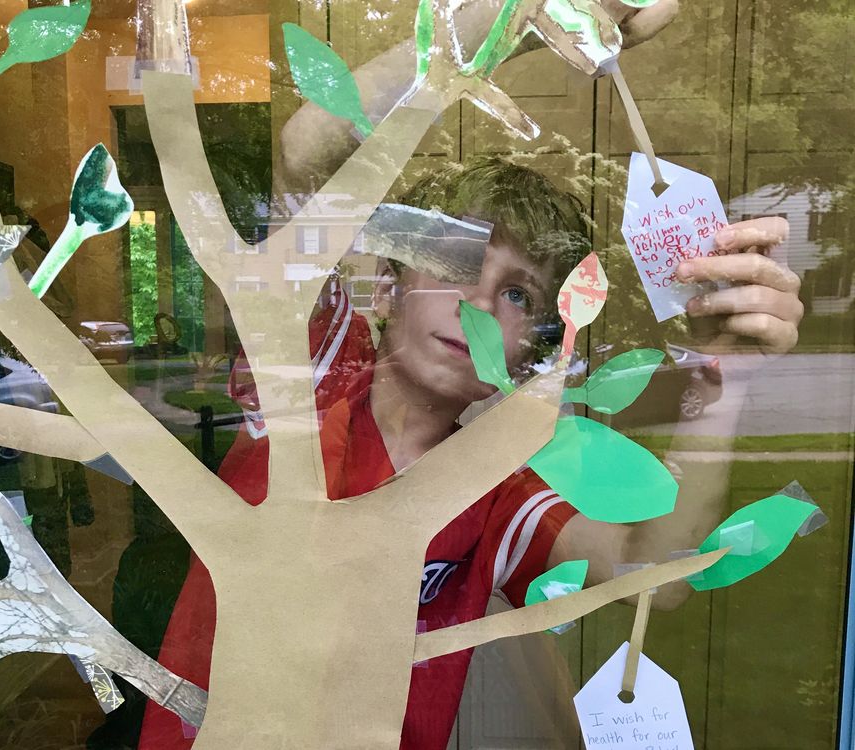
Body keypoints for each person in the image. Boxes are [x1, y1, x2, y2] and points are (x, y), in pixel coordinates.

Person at [137, 157, 804, 749]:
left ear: (530, 352)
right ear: (391, 285)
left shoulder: (493, 495)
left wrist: (724, 382)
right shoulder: (313, 379)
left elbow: (653, 575)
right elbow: (306, 151)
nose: (479, 304)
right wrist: (513, 17)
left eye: (518, 295)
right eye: (457, 265)